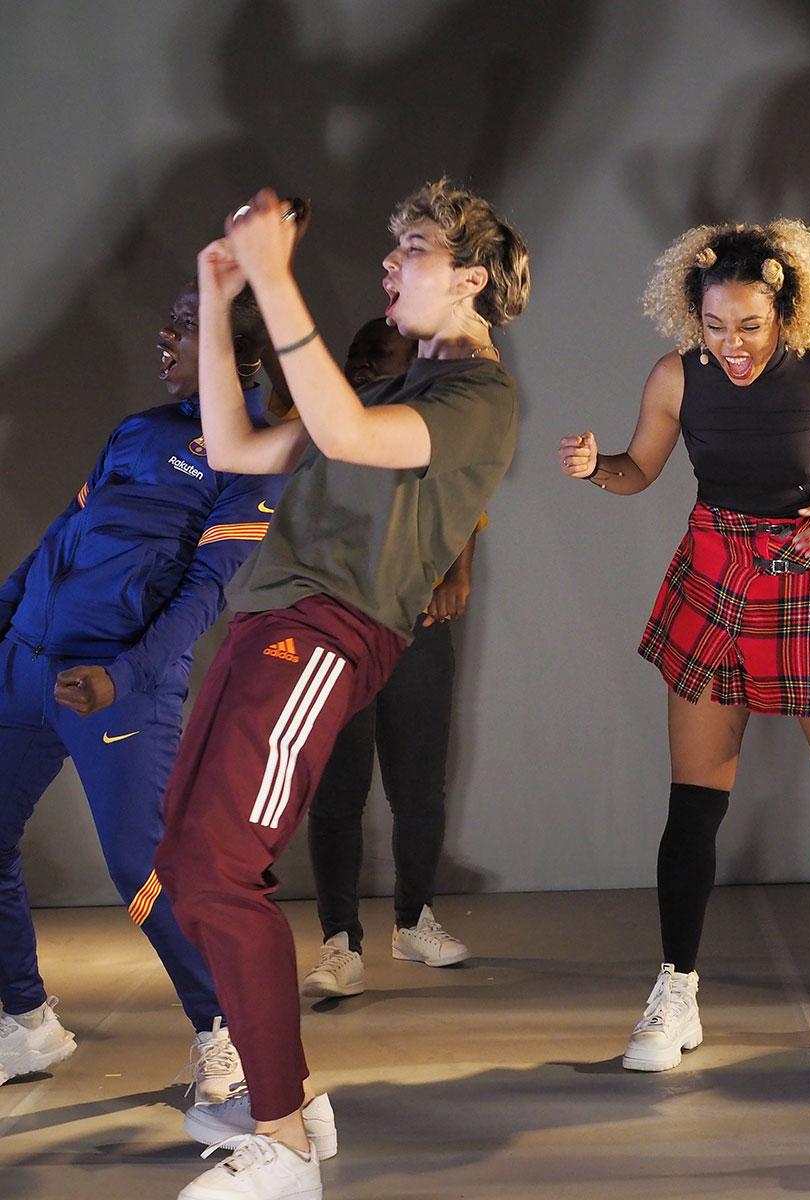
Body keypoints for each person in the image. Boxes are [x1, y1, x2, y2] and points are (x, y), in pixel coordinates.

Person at [154, 180, 528, 1200]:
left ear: (472, 280)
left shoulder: (478, 400)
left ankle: (281, 1144)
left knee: (223, 870)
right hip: (266, 623)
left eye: (415, 248)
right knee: (188, 867)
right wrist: (219, 289)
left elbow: (349, 435)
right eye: (393, 246)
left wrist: (273, 276)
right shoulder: (401, 390)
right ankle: (294, 1101)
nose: (389, 263)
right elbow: (237, 448)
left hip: (325, 630)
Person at [558, 220, 810, 1072]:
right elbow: (638, 470)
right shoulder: (676, 377)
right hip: (715, 575)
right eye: (715, 326)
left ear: (786, 311)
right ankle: (676, 993)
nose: (733, 344)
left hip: (808, 574)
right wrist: (596, 466)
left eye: (750, 325)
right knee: (694, 803)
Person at [0, 280, 281, 1110]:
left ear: (236, 352)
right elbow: (64, 532)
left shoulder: (256, 455)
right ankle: (25, 1020)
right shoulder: (138, 429)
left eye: (186, 325)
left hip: (117, 687)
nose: (164, 335)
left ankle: (223, 1030)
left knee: (144, 869)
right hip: (26, 664)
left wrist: (121, 676)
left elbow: (203, 593)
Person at [299, 320, 483, 999]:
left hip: (413, 623)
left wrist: (458, 574)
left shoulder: (432, 426)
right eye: (359, 355)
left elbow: (466, 499)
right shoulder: (327, 423)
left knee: (419, 785)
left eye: (382, 356)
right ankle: (340, 940)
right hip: (338, 624)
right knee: (337, 789)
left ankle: (413, 921)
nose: (365, 364)